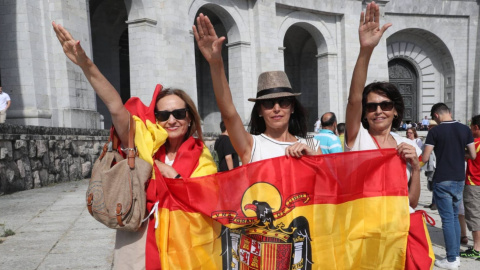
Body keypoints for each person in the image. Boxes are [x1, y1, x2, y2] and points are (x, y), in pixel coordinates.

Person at [52, 22, 217, 269]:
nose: (172, 120)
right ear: (156, 119)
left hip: (187, 246)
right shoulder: (144, 140)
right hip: (139, 238)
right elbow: (116, 107)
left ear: (190, 117)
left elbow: (208, 198)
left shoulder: (202, 155)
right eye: (163, 115)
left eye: (179, 113)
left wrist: (171, 173)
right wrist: (86, 65)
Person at [193, 14, 321, 165]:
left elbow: (328, 184)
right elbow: (228, 114)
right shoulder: (251, 145)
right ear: (259, 110)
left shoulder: (312, 146)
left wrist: (315, 159)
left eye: (284, 101)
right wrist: (216, 64)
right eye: (268, 103)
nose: (277, 108)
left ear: (292, 107)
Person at [344, 2, 421, 211]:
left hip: (397, 232)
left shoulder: (408, 146)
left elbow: (412, 203)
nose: (378, 111)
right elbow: (354, 99)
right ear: (365, 112)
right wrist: (366, 51)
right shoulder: (357, 137)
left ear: (395, 110)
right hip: (364, 231)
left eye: (385, 105)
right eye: (371, 107)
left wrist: (415, 168)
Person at [422, 102, 476, 269]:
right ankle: (455, 256)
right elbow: (472, 155)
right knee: (453, 217)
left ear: (436, 115)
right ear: (449, 112)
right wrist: (460, 153)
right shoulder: (465, 129)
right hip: (459, 178)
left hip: (443, 179)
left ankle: (451, 258)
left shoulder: (435, 131)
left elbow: (425, 157)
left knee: (447, 219)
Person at [460, 114, 480, 259]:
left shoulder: (476, 143)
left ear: (476, 127)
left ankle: (477, 248)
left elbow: (465, 155)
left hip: (474, 183)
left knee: (474, 216)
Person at [423, 120, 438, 210]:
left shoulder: (436, 135)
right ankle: (433, 202)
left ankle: (435, 203)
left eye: (430, 126)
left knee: (435, 184)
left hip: (436, 163)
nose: (429, 128)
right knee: (432, 183)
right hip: (432, 163)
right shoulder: (431, 134)